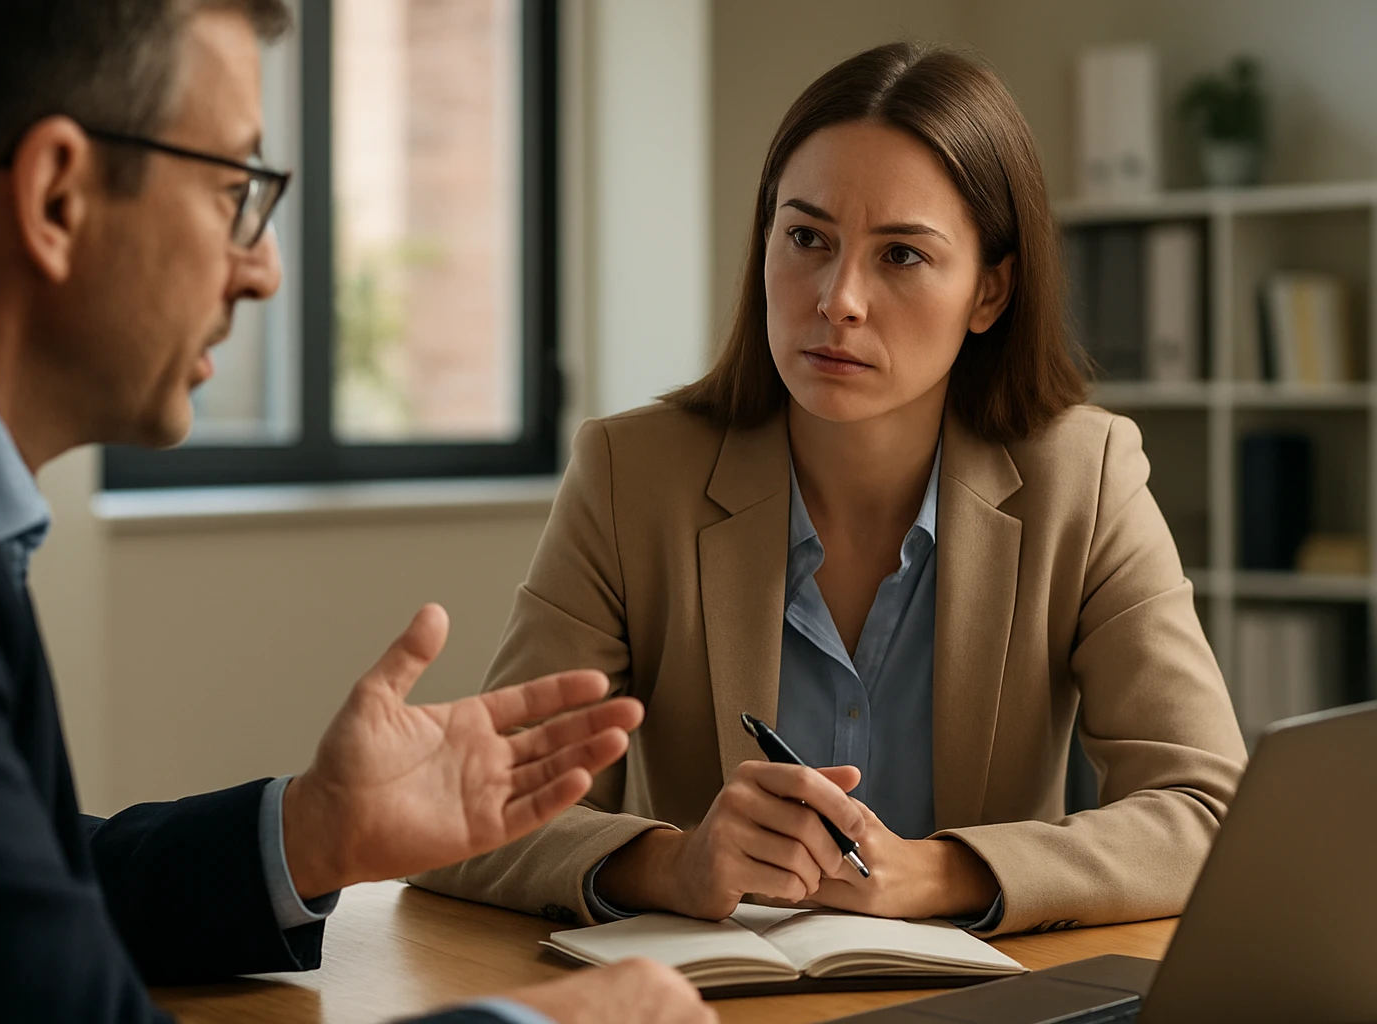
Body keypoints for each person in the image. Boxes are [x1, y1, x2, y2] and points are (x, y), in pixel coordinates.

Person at [0, 3, 716, 1022]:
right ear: (58, 196)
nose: (264, 271)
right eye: (232, 194)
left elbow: (11, 892)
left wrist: (307, 830)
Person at [411, 42, 1248, 937]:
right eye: (807, 238)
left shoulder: (1086, 477)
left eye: (902, 257)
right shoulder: (630, 474)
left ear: (991, 292)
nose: (838, 299)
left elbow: (1207, 811)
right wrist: (678, 861)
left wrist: (943, 872)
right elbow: (474, 821)